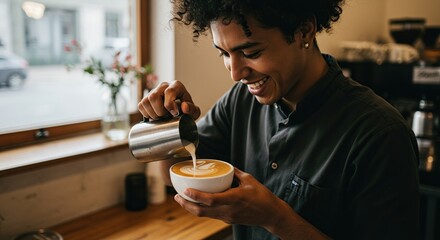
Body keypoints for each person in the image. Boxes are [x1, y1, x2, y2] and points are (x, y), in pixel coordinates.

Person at [138, 0, 420, 239]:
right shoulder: (240, 101)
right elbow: (173, 176)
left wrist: (276, 218)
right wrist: (168, 125)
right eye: (224, 53)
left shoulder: (380, 134)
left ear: (304, 31)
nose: (235, 73)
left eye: (251, 52)